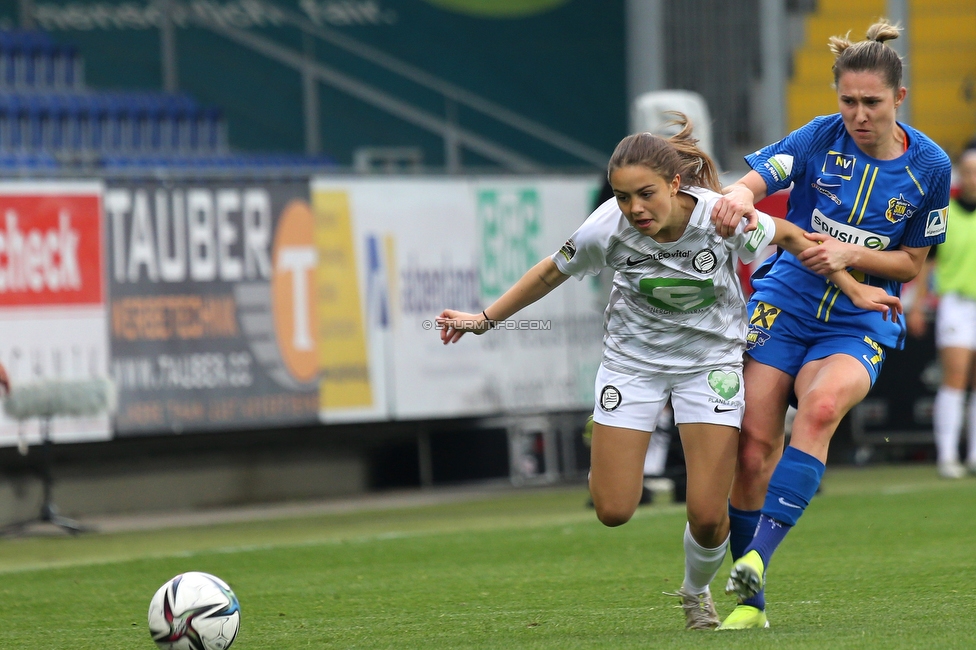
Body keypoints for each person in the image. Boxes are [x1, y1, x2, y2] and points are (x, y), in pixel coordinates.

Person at [437, 116, 899, 631]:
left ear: (677, 184)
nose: (634, 209)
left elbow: (791, 236)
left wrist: (856, 289)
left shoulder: (720, 218)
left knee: (706, 515)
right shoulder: (605, 226)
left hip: (711, 367)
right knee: (613, 509)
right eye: (622, 196)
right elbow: (550, 270)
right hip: (632, 367)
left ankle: (695, 591)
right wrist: (482, 320)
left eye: (645, 194)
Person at [710, 19, 951, 629]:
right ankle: (750, 599)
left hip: (858, 318)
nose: (859, 114)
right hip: (784, 305)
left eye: (872, 102)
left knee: (817, 412)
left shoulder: (930, 166)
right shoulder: (820, 138)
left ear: (900, 98)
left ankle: (756, 565)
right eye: (848, 101)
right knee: (752, 448)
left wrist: (852, 256)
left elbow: (911, 262)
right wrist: (738, 196)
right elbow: (759, 176)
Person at [907, 146, 976, 478]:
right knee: (955, 378)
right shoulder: (944, 213)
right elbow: (925, 264)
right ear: (960, 175)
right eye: (968, 171)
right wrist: (917, 306)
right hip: (956, 304)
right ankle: (948, 455)